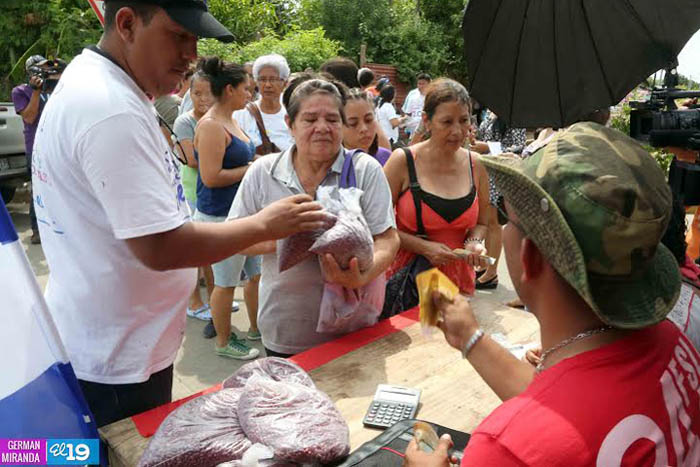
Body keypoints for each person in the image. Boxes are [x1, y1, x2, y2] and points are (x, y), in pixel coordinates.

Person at [31, 0, 325, 427]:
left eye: (195, 38)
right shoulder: (110, 108)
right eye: (178, 35)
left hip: (114, 341)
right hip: (117, 363)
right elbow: (160, 247)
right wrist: (265, 224)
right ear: (127, 24)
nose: (191, 54)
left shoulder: (96, 83)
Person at [404, 122, 700, 466]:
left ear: (530, 256)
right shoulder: (672, 344)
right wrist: (468, 336)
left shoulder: (507, 449)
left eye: (507, 218)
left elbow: (546, 431)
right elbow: (563, 408)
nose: (503, 226)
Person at [229, 78, 400, 357]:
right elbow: (236, 237)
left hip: (354, 326)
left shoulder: (364, 170)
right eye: (309, 119)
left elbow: (388, 238)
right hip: (286, 328)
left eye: (332, 119)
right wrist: (289, 236)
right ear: (290, 123)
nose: (322, 127)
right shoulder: (263, 172)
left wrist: (361, 276)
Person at [384, 78, 490, 296]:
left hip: (458, 281)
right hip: (409, 282)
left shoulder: (476, 164)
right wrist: (423, 248)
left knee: (457, 329)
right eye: (447, 122)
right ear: (427, 120)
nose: (457, 131)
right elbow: (376, 226)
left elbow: (482, 223)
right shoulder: (402, 161)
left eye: (463, 121)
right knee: (418, 331)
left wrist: (475, 243)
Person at [193, 57, 260, 358]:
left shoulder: (232, 120)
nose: (250, 94)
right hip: (220, 218)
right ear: (230, 89)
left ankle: (256, 328)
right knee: (225, 284)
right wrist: (251, 169)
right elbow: (210, 177)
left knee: (256, 275)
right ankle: (224, 342)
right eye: (246, 89)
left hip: (243, 215)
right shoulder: (210, 126)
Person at [173, 68, 215, 319]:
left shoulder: (219, 118)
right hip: (191, 191)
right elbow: (190, 159)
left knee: (211, 251)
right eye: (197, 93)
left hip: (213, 190)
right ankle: (194, 302)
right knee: (195, 251)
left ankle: (216, 298)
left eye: (208, 93)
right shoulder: (185, 121)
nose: (203, 99)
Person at [470, 110, 526, 291]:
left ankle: (492, 272)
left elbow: (519, 147)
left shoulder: (515, 115)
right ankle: (485, 265)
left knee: (494, 224)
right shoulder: (489, 113)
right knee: (484, 221)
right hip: (484, 171)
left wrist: (487, 147)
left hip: (499, 175)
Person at [11, 55, 64, 245]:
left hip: (57, 147)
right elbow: (29, 117)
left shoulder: (55, 90)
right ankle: (37, 230)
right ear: (30, 72)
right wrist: (35, 91)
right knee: (39, 190)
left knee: (61, 188)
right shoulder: (20, 91)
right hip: (35, 149)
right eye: (40, 68)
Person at [233, 53, 293, 155]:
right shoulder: (241, 114)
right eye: (262, 79)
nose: (267, 85)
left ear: (285, 83)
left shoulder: (293, 114)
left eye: (273, 79)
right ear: (256, 82)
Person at [343, 88, 392, 166]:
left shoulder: (387, 158)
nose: (364, 129)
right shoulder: (329, 167)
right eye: (353, 123)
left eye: (368, 120)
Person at [401, 72, 431, 140]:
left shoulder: (433, 95)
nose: (420, 86)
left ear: (429, 84)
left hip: (427, 130)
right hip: (413, 130)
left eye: (423, 84)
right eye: (419, 83)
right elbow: (407, 112)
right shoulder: (412, 94)